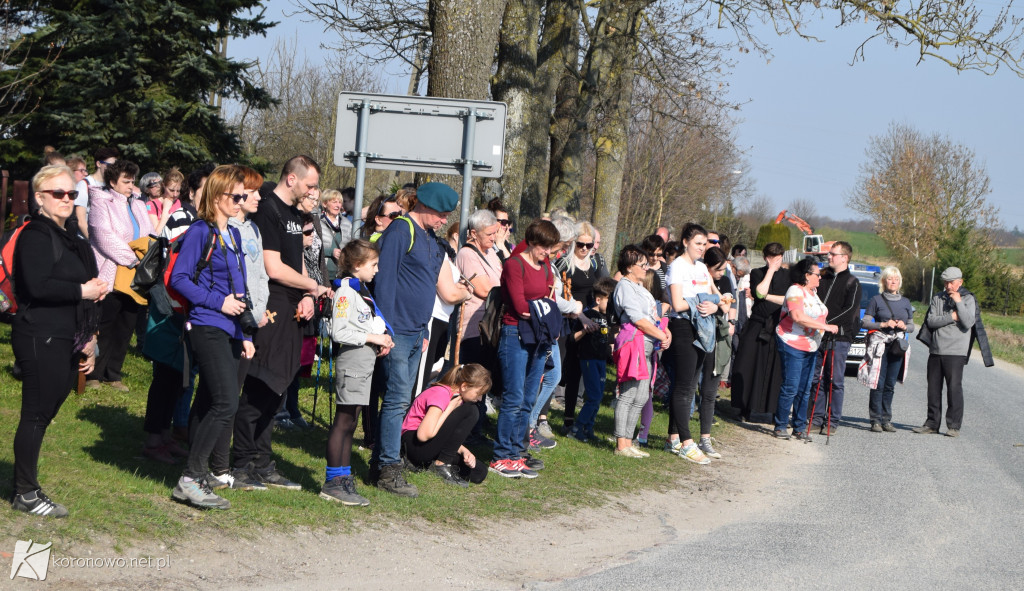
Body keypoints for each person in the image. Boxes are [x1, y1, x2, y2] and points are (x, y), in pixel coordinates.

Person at [11, 165, 106, 518]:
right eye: (58, 193)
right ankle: (26, 492)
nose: (66, 199)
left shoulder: (72, 239)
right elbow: (36, 286)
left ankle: (24, 483)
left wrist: (89, 340)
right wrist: (82, 289)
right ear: (39, 198)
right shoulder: (36, 234)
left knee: (45, 413)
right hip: (39, 334)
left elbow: (89, 291)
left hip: (68, 336)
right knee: (36, 414)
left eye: (71, 194)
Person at [232, 155, 330, 491]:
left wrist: (307, 294)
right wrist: (314, 287)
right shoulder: (268, 208)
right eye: (311, 184)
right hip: (270, 305)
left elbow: (296, 261)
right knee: (262, 383)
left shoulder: (293, 214)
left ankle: (263, 461)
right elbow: (273, 267)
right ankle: (241, 462)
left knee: (280, 384)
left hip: (293, 304)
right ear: (292, 179)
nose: (313, 191)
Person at [372, 182, 470, 496]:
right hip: (396, 331)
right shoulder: (401, 231)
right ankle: (388, 469)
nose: (444, 220)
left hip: (417, 332)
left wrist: (425, 330)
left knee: (401, 401)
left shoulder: (431, 239)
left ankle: (384, 461)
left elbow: (428, 288)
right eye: (441, 214)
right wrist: (385, 330)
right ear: (424, 206)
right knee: (397, 399)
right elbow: (384, 282)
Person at [168, 165, 255, 510]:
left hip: (231, 329)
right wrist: (218, 302)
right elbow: (179, 278)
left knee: (208, 402)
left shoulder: (231, 234)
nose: (242, 200)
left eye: (244, 196)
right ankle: (189, 479)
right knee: (226, 402)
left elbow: (238, 288)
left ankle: (197, 474)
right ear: (217, 196)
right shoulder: (199, 231)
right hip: (206, 323)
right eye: (237, 196)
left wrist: (245, 333)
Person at [324, 239, 394, 506]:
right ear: (356, 265)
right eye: (373, 265)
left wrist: (381, 339)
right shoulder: (345, 292)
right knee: (343, 422)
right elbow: (339, 331)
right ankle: (333, 480)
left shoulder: (360, 291)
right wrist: (373, 338)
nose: (376, 270)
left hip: (363, 363)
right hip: (352, 363)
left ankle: (343, 477)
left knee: (352, 422)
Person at [489, 219, 560, 479]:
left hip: (539, 336)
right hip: (515, 333)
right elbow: (519, 306)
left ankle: (518, 451)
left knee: (530, 397)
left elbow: (549, 299)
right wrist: (543, 309)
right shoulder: (514, 264)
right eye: (544, 247)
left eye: (550, 248)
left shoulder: (546, 268)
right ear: (531, 242)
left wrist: (542, 309)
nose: (547, 253)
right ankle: (501, 455)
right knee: (514, 396)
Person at [86, 158, 155, 392]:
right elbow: (104, 236)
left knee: (127, 323)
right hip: (112, 270)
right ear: (113, 182)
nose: (131, 184)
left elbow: (149, 233)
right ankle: (93, 373)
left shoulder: (137, 203)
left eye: (133, 180)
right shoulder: (100, 201)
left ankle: (113, 374)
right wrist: (132, 259)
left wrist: (147, 258)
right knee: (105, 323)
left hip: (135, 274)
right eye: (126, 181)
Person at [664, 223, 721, 465]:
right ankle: (688, 443)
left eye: (705, 243)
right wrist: (701, 300)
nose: (702, 248)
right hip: (683, 327)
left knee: (688, 386)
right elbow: (677, 304)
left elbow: (716, 296)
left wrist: (715, 306)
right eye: (698, 243)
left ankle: (673, 438)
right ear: (685, 242)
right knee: (684, 386)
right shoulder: (677, 267)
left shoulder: (702, 268)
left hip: (704, 328)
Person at [913, 267, 992, 437]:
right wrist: (952, 317)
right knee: (933, 389)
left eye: (951, 283)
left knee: (954, 388)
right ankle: (932, 424)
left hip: (956, 352)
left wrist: (958, 303)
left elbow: (969, 322)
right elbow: (931, 321)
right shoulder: (937, 298)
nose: (948, 286)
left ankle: (953, 426)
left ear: (960, 282)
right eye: (946, 283)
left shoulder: (968, 299)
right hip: (936, 349)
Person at [612, 246, 670, 457]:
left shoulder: (641, 288)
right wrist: (660, 334)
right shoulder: (625, 287)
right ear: (629, 267)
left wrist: (665, 331)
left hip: (647, 345)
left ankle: (629, 441)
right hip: (633, 343)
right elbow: (637, 319)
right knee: (628, 394)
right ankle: (621, 443)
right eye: (642, 264)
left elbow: (654, 316)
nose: (647, 267)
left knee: (641, 395)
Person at [773, 258, 838, 440]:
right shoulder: (795, 290)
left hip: (811, 345)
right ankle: (780, 425)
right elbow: (797, 316)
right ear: (807, 275)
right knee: (791, 386)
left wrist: (825, 327)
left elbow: (819, 316)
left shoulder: (813, 292)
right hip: (791, 342)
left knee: (805, 388)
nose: (820, 278)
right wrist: (826, 327)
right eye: (817, 274)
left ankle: (799, 427)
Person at [454, 208, 503, 442]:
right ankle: (466, 429)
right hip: (474, 328)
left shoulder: (492, 253)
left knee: (485, 380)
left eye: (495, 233)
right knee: (473, 380)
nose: (494, 238)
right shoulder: (467, 254)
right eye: (489, 234)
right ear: (473, 233)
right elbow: (485, 289)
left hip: (491, 328)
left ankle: (477, 427)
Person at [401, 364, 491, 487]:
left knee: (479, 471)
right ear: (464, 386)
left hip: (429, 445)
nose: (480, 399)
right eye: (478, 393)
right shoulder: (441, 393)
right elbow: (423, 435)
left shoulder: (457, 398)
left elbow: (445, 433)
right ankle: (441, 464)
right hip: (414, 445)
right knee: (472, 411)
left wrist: (464, 451)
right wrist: (449, 408)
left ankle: (434, 464)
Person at [730, 242, 791, 422]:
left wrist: (768, 297)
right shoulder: (757, 273)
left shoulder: (789, 276)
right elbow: (759, 292)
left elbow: (789, 299)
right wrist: (771, 270)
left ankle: (773, 411)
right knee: (747, 364)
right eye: (772, 258)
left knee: (775, 369)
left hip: (778, 325)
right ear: (766, 258)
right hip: (757, 323)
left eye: (778, 258)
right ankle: (743, 407)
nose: (775, 261)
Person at [809, 241, 861, 436]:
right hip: (819, 335)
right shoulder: (822, 277)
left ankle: (832, 420)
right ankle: (816, 418)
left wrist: (827, 322)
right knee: (818, 379)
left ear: (844, 258)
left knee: (835, 380)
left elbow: (850, 310)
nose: (829, 257)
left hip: (839, 338)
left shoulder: (852, 282)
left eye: (833, 254)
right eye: (829, 254)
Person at [861, 266, 915, 433]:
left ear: (899, 282)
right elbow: (865, 322)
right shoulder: (876, 300)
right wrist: (883, 324)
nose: (893, 282)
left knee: (890, 384)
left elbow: (912, 326)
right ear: (884, 281)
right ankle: (875, 420)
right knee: (878, 382)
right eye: (890, 279)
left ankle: (886, 419)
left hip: (897, 347)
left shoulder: (906, 302)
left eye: (896, 279)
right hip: (880, 346)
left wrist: (904, 326)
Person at [572, 277, 616, 442]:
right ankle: (577, 428)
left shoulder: (608, 318)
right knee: (594, 396)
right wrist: (585, 330)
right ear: (598, 299)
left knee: (597, 398)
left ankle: (588, 429)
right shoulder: (587, 315)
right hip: (588, 359)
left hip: (601, 361)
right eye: (609, 301)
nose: (611, 306)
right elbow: (573, 338)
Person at [147, 167, 185, 236]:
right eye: (171, 190)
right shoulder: (151, 205)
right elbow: (157, 233)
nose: (175, 194)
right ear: (163, 185)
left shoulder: (178, 203)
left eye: (178, 191)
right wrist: (165, 210)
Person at [319, 188, 346, 278]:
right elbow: (311, 248)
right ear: (325, 204)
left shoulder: (347, 224)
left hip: (340, 273)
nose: (338, 205)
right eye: (334, 202)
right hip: (321, 272)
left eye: (340, 202)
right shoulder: (317, 222)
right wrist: (331, 252)